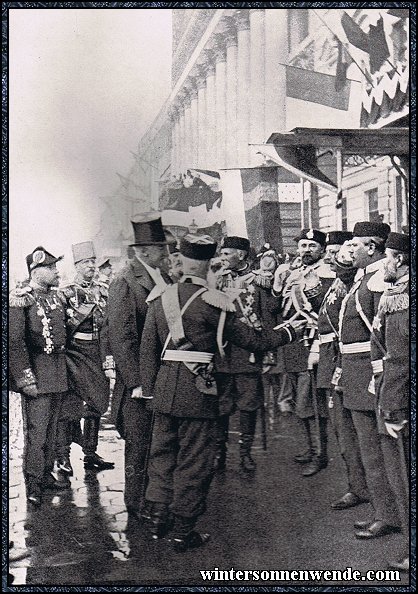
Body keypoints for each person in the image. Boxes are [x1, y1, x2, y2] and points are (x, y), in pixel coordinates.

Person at [140, 234, 303, 551]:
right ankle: (183, 531)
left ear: (182, 262)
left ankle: (157, 519)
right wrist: (290, 330)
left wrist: (150, 392)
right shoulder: (212, 302)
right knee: (193, 462)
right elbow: (255, 342)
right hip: (197, 394)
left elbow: (148, 352)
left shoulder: (160, 297)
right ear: (207, 265)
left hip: (163, 391)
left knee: (161, 457)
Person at [336, 221, 401, 539]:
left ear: (372, 248)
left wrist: (380, 376)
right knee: (366, 448)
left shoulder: (378, 282)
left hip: (369, 374)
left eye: (355, 245)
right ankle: (382, 510)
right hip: (355, 371)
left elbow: (385, 335)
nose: (351, 250)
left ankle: (389, 515)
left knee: (376, 450)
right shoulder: (365, 278)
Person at [107, 213, 170, 522]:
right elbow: (122, 337)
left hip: (162, 377)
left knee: (157, 441)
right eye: (162, 248)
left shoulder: (163, 276)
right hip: (139, 383)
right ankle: (136, 502)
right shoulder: (124, 281)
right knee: (138, 443)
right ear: (145, 250)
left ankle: (154, 497)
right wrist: (136, 382)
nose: (167, 253)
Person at [9, 247, 70, 506]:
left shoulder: (55, 298)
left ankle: (46, 476)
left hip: (57, 373)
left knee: (52, 431)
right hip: (37, 375)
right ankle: (33, 483)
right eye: (52, 267)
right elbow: (15, 342)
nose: (57, 272)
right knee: (36, 434)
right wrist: (26, 379)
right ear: (37, 270)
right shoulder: (22, 298)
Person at [272, 229, 334, 477]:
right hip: (294, 346)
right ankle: (310, 448)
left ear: (321, 250)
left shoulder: (328, 273)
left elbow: (326, 311)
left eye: (311, 246)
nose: (305, 250)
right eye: (302, 246)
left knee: (312, 405)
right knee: (300, 405)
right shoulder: (293, 273)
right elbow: (279, 307)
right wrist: (277, 283)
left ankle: (321, 454)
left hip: (313, 342)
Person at [215, 236, 278, 472]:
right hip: (223, 352)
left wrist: (269, 352)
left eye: (227, 253)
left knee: (248, 405)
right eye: (222, 254)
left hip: (248, 353)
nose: (222, 258)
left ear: (241, 255)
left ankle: (245, 453)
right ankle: (219, 451)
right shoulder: (217, 281)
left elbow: (267, 318)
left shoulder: (259, 281)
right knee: (221, 405)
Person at [317, 233, 369, 508]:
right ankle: (357, 486)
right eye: (331, 254)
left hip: (351, 363)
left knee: (359, 432)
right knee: (343, 431)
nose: (333, 259)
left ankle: (369, 488)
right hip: (333, 362)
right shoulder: (334, 285)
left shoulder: (358, 285)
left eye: (339, 255)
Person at [57, 241, 114, 474]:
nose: (92, 266)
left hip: (97, 351)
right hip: (74, 353)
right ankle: (63, 457)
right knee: (70, 406)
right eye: (86, 262)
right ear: (77, 265)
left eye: (93, 262)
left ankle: (90, 453)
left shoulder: (103, 289)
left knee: (96, 404)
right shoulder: (66, 292)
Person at [371, 232, 410, 571]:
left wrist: (392, 404)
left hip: (402, 397)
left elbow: (399, 358)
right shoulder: (395, 295)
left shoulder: (403, 300)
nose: (384, 262)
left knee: (405, 473)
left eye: (386, 256)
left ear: (398, 259)